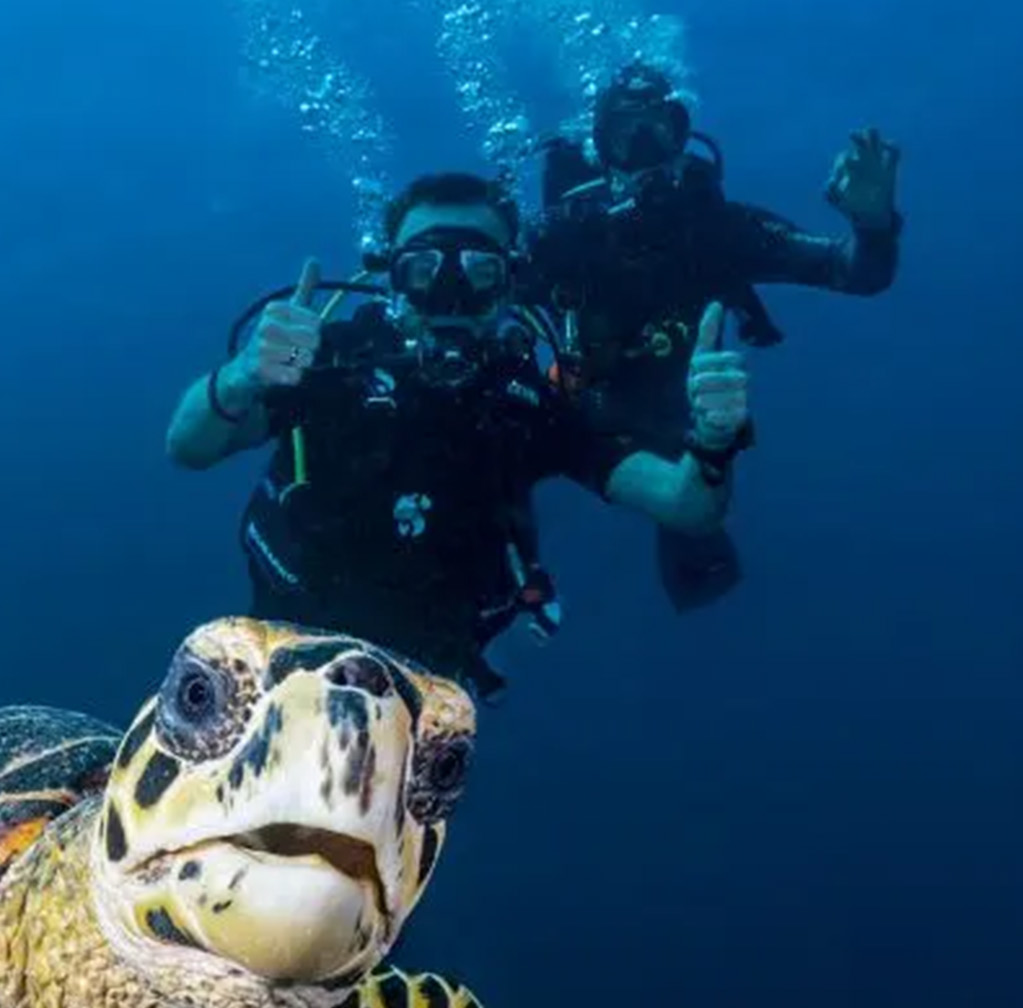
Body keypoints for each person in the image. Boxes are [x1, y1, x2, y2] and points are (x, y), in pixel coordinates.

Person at [165, 171, 754, 700]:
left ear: (509, 285)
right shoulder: (326, 361)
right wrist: (241, 377)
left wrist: (713, 440)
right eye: (423, 271)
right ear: (391, 277)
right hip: (280, 649)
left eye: (478, 272)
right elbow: (189, 446)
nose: (449, 295)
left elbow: (688, 506)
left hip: (431, 686)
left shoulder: (530, 402)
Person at [522, 60, 904, 612]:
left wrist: (873, 224)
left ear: (684, 136)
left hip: (689, 421)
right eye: (626, 135)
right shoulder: (563, 236)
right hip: (581, 412)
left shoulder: (720, 230)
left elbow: (860, 274)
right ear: (600, 148)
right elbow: (472, 297)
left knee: (697, 534)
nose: (647, 147)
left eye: (661, 128)